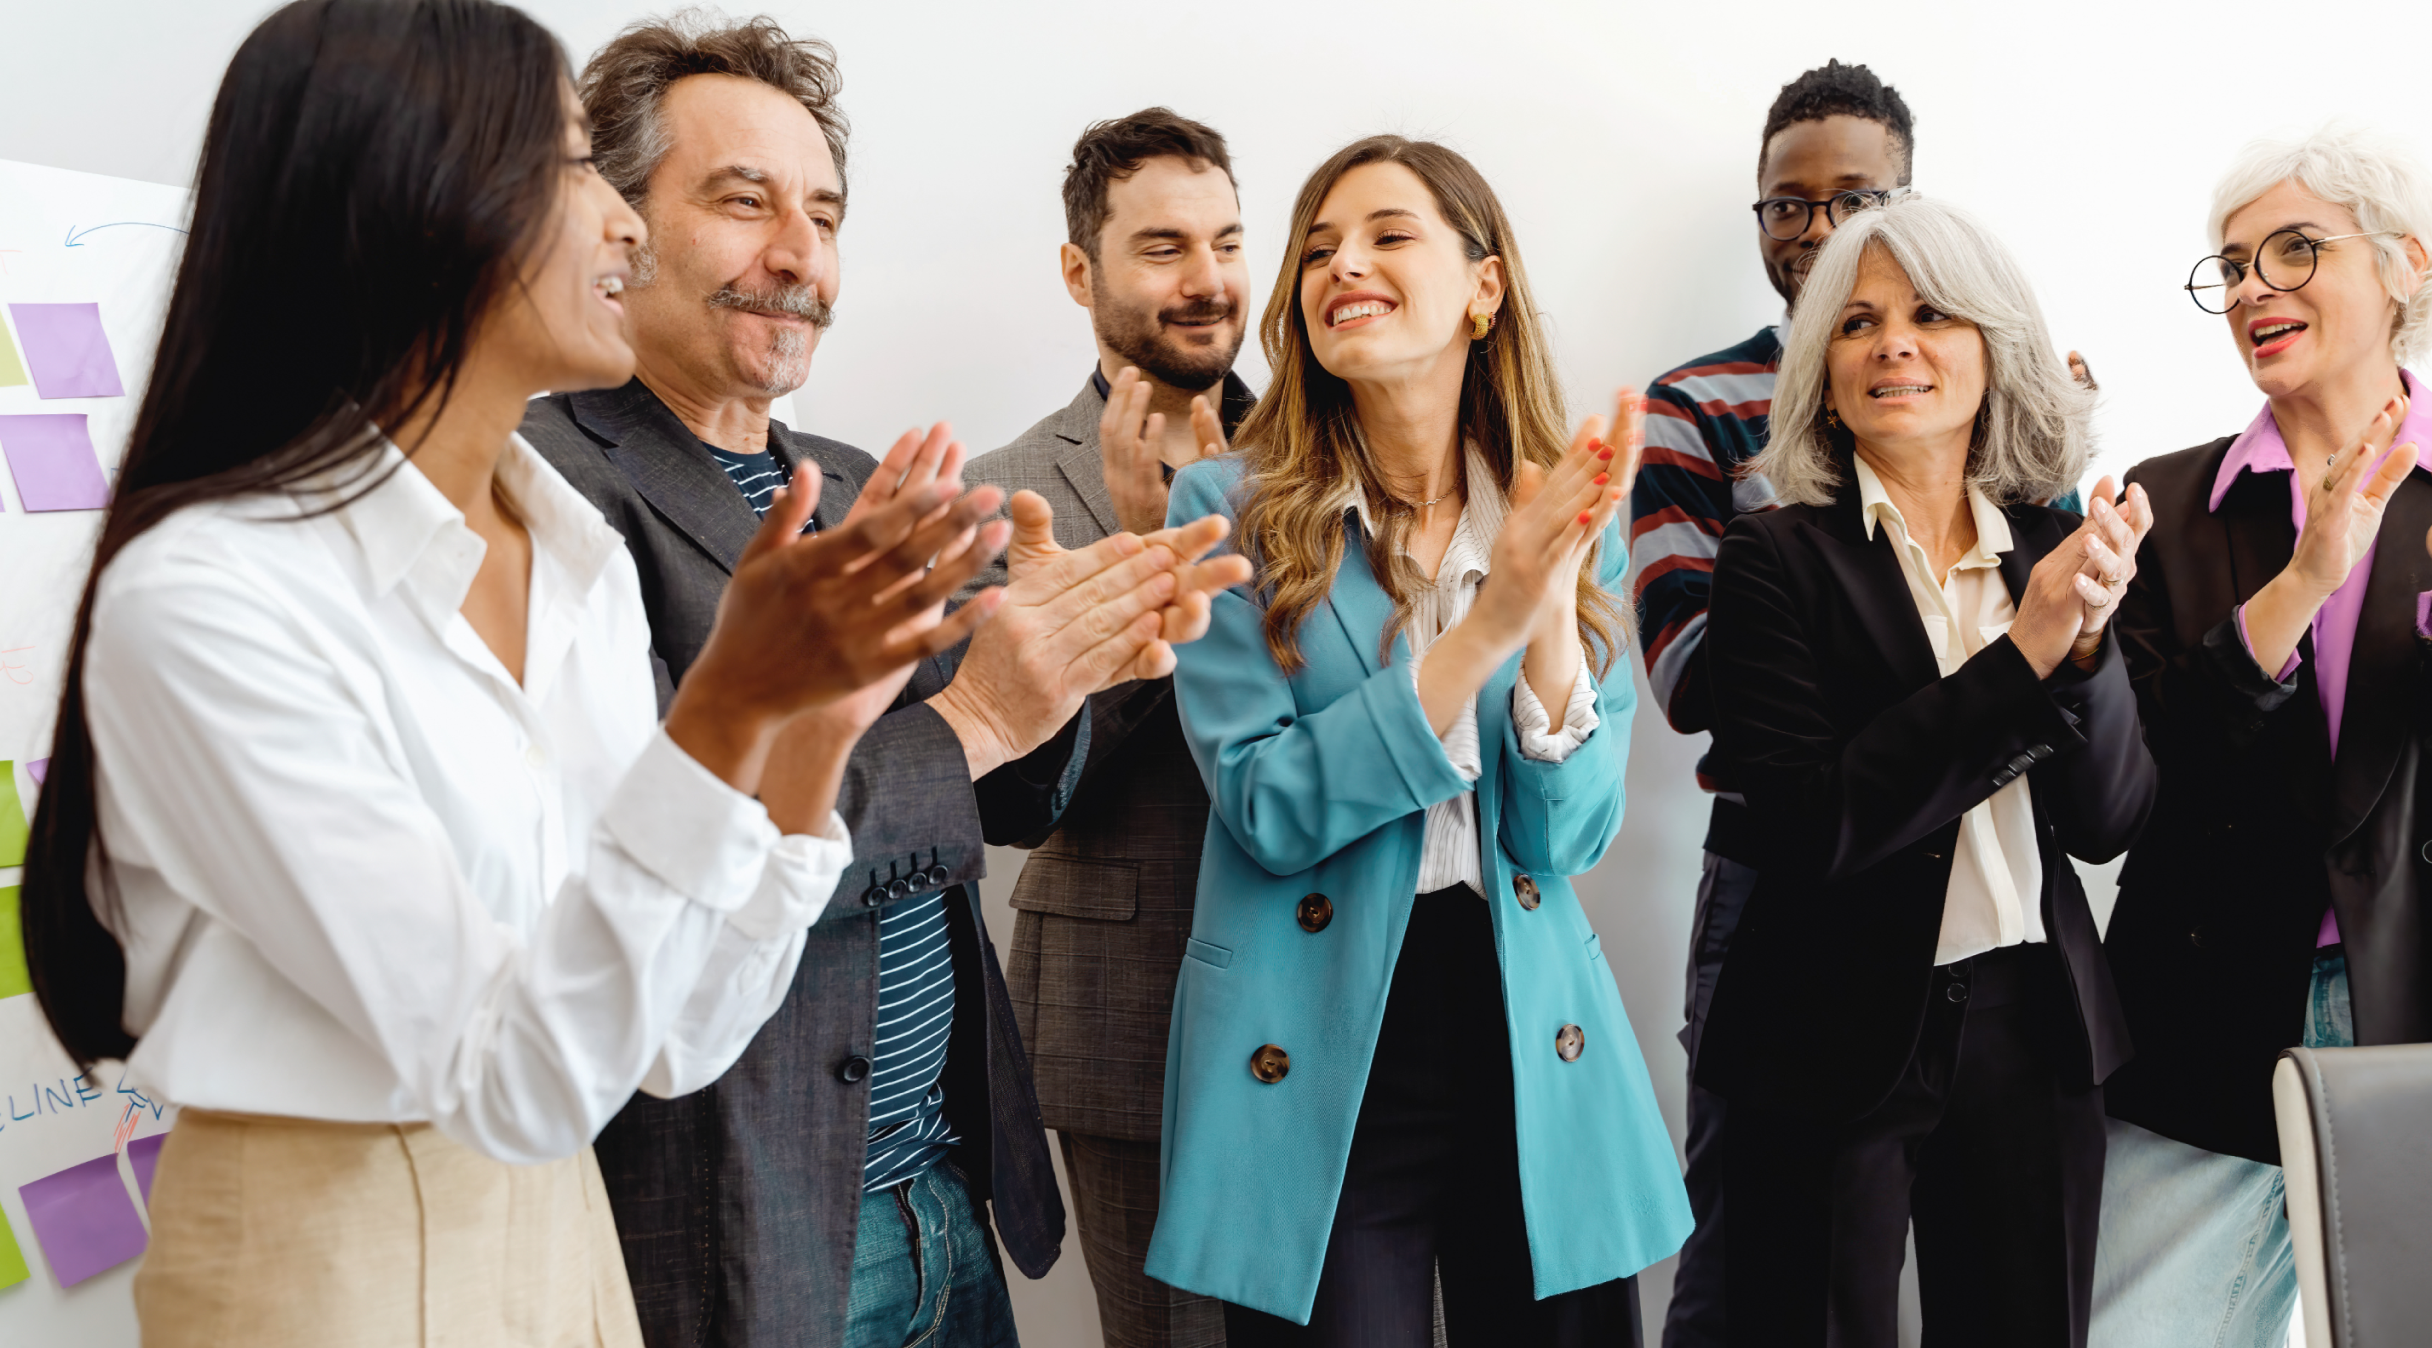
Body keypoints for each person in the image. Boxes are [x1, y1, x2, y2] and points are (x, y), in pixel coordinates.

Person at [17, 1, 1008, 1342]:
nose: (621, 224)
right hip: (327, 1252)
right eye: (572, 164)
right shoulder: (208, 596)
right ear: (416, 204)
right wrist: (730, 710)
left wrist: (816, 727)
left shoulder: (565, 554)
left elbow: (671, 1042)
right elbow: (508, 1073)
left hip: (563, 1234)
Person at [519, 17, 1247, 1348]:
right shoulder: (553, 492)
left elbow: (1011, 797)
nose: (798, 256)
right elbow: (665, 857)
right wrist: (967, 722)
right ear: (614, 227)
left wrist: (1057, 660)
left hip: (944, 1189)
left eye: (826, 213)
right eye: (744, 203)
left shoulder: (858, 483)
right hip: (759, 1210)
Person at [1146, 133, 1689, 1346]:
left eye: (1388, 234)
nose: (1344, 264)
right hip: (1318, 1039)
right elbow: (1267, 808)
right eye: (1319, 247)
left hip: (1526, 1029)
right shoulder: (1222, 509)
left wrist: (1545, 615)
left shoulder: (1563, 510)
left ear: (1482, 289)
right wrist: (1479, 629)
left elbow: (1568, 833)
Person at [1628, 62, 2091, 1348]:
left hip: (1994, 933)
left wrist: (2023, 496)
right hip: (1786, 890)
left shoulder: (2013, 483)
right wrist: (1875, 573)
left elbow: (2105, 792)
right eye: (1785, 205)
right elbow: (1700, 685)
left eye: (1855, 199)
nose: (1816, 229)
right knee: (1756, 1274)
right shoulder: (1696, 409)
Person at [1698, 194, 2157, 1346]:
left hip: (2032, 1027)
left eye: (1930, 314)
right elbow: (1814, 825)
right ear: (1822, 369)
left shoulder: (2050, 546)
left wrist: (2085, 649)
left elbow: (2108, 817)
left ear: (1993, 352)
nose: (1891, 342)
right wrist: (2022, 656)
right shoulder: (1768, 556)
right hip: (1826, 1034)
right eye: (1855, 323)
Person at [2094, 125, 2432, 1348]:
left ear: (2403, 265)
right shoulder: (2166, 505)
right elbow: (2135, 783)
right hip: (2204, 1004)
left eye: (2294, 250)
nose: (2251, 288)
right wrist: (2297, 584)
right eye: (2231, 265)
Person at [961, 107, 1255, 1348]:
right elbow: (1007, 789)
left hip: (1351, 992)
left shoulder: (1327, 455)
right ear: (1080, 272)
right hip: (1125, 1000)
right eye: (1162, 248)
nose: (1207, 283)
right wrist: (1143, 583)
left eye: (1228, 241)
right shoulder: (1005, 487)